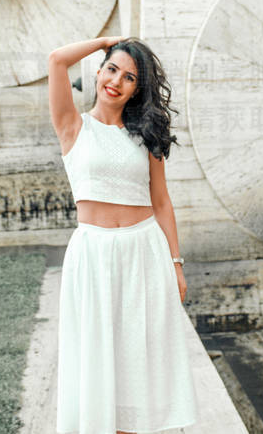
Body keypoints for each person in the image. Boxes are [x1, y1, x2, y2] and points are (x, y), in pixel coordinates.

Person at [48, 36, 197, 434]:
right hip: (93, 256)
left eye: (129, 77)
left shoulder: (146, 135)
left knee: (137, 363)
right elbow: (57, 59)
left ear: (136, 89)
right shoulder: (73, 126)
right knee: (98, 359)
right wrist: (107, 42)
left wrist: (176, 264)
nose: (117, 81)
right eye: (112, 69)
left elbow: (161, 202)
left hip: (143, 253)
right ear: (98, 73)